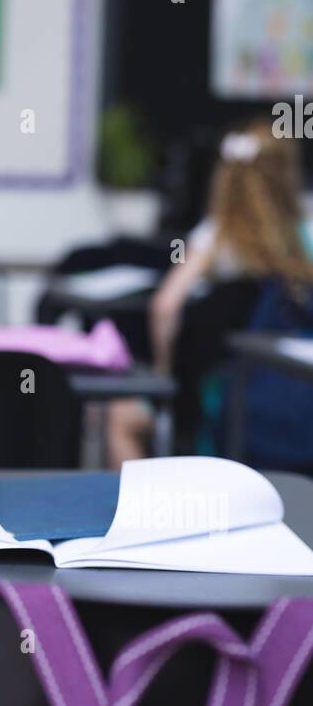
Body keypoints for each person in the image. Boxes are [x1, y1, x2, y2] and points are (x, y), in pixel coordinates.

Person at [107, 119, 313, 466]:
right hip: (296, 401)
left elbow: (165, 306)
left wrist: (165, 372)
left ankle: (143, 512)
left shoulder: (214, 238)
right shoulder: (304, 237)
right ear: (287, 178)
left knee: (121, 419)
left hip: (221, 403)